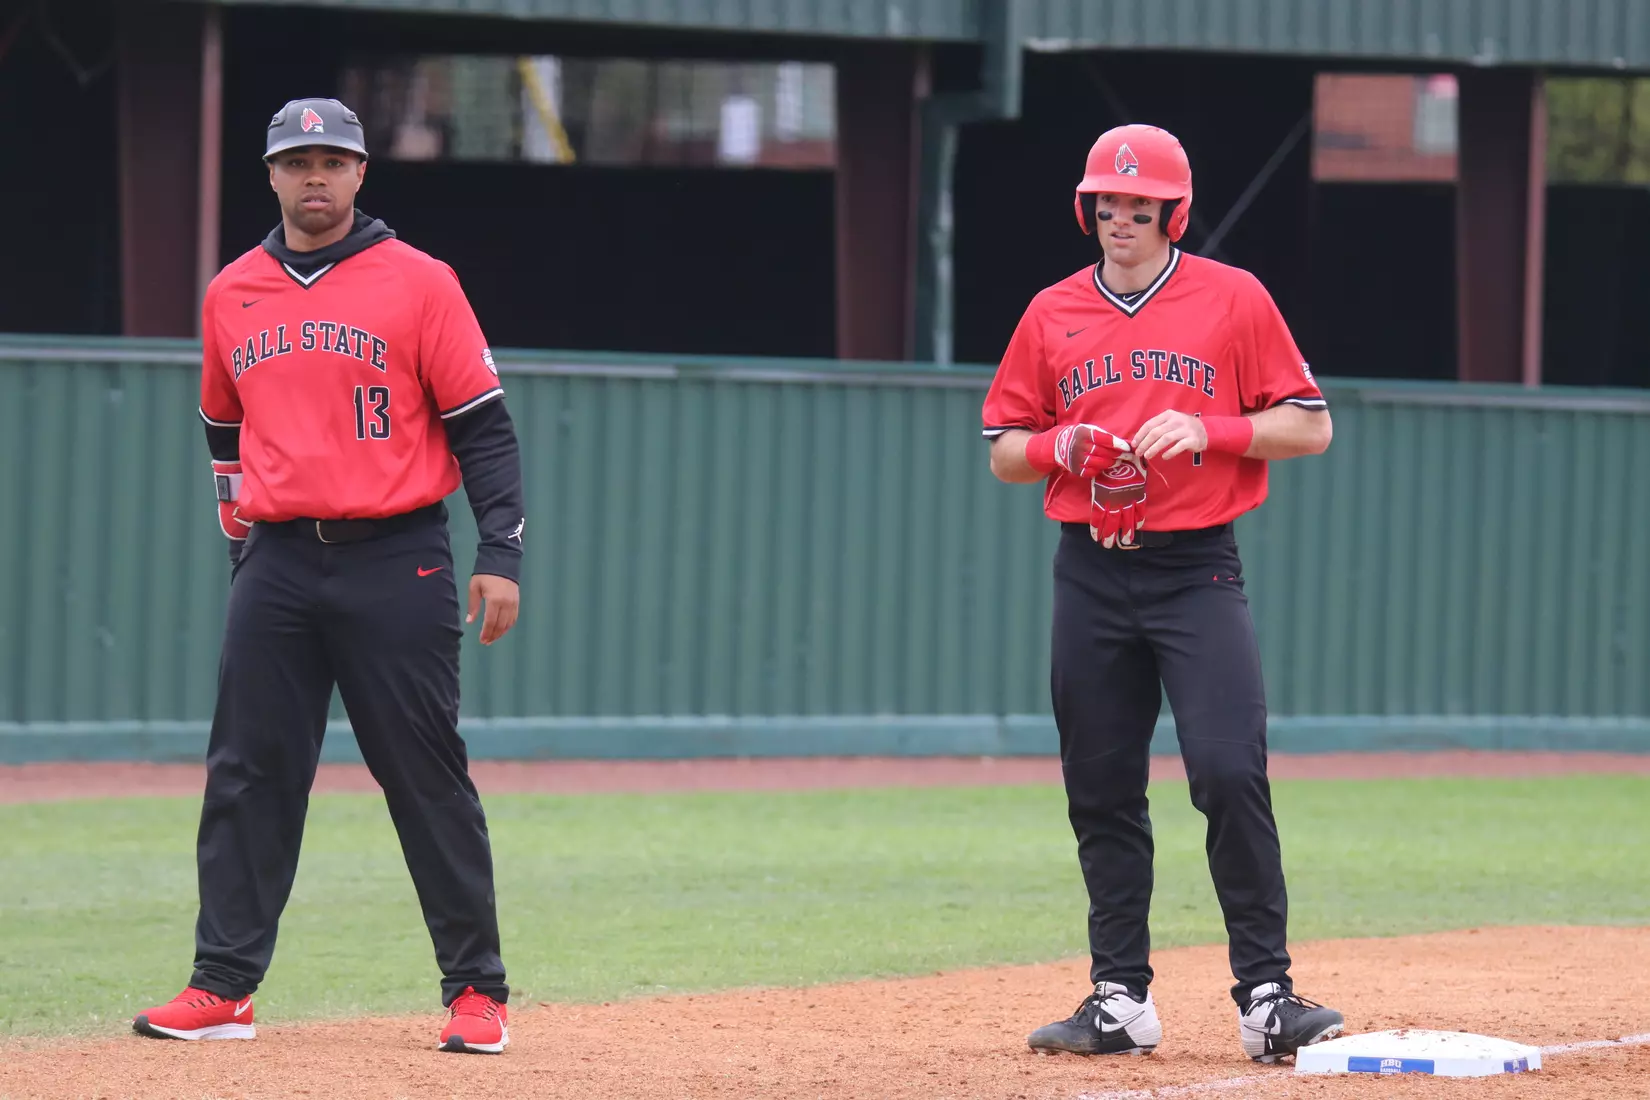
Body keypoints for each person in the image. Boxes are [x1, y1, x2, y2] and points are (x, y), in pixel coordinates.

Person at [132, 98, 525, 1055]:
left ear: (359, 176)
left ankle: (477, 992)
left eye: (333, 161)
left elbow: (483, 428)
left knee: (423, 774)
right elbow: (223, 432)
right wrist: (242, 546)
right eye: (297, 161)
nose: (315, 177)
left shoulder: (420, 282)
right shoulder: (233, 292)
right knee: (249, 775)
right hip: (277, 559)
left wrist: (501, 553)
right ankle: (223, 987)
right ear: (270, 175)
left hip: (399, 552)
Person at [981, 123, 1343, 1064]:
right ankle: (1119, 999)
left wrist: (1213, 429)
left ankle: (1267, 997)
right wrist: (1057, 446)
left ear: (1174, 214)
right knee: (1101, 787)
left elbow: (1310, 427)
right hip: (1092, 570)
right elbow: (1003, 452)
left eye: (1139, 209)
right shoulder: (1053, 311)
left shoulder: (1232, 299)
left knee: (1227, 770)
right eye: (1107, 205)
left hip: (1195, 570)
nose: (1120, 222)